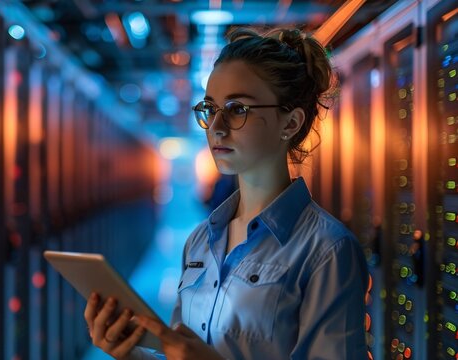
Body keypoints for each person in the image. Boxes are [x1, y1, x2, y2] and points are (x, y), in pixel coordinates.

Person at [84, 26, 369, 360]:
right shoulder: (200, 241)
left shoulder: (327, 251)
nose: (217, 127)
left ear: (290, 123)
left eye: (237, 109)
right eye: (210, 108)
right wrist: (129, 351)